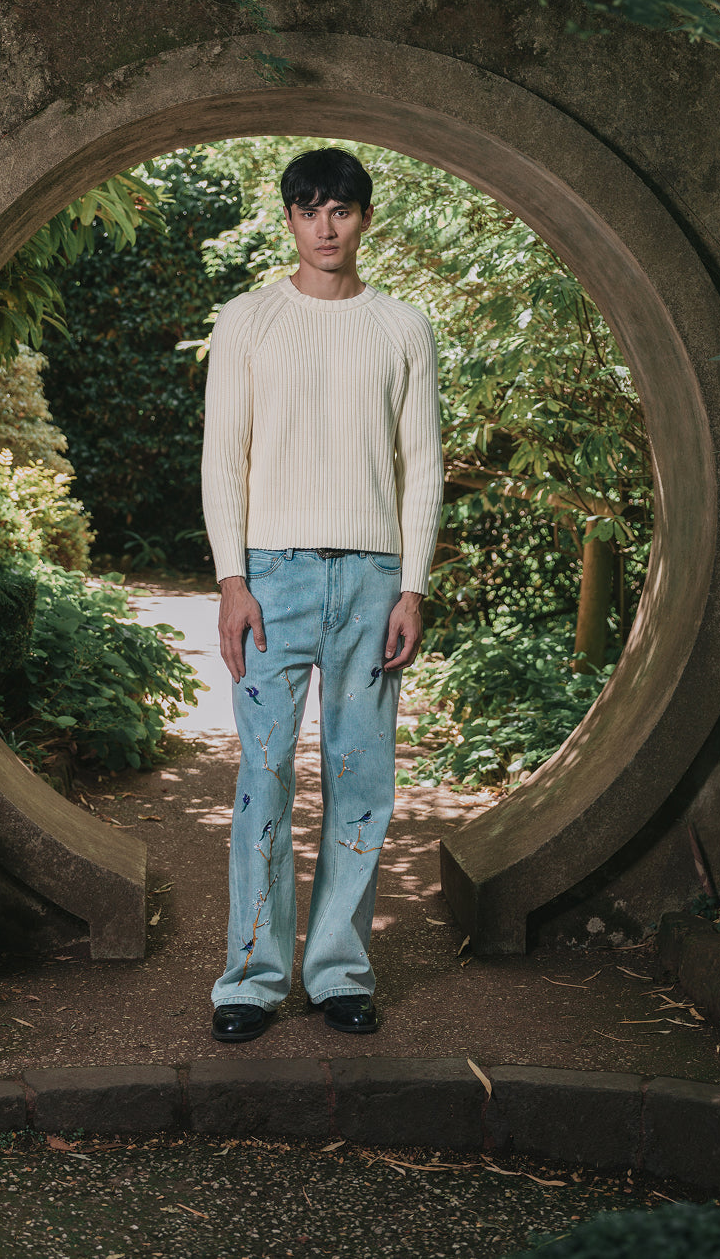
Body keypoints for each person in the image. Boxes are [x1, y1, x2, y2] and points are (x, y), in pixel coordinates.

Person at [200, 147, 443, 1043]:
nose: (326, 226)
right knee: (263, 774)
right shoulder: (248, 321)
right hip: (273, 577)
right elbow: (224, 458)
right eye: (309, 209)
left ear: (365, 218)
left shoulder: (403, 327)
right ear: (291, 219)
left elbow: (421, 468)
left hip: (374, 579)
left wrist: (411, 587)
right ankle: (252, 979)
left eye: (341, 208)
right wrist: (233, 581)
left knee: (360, 776)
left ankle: (338, 968)